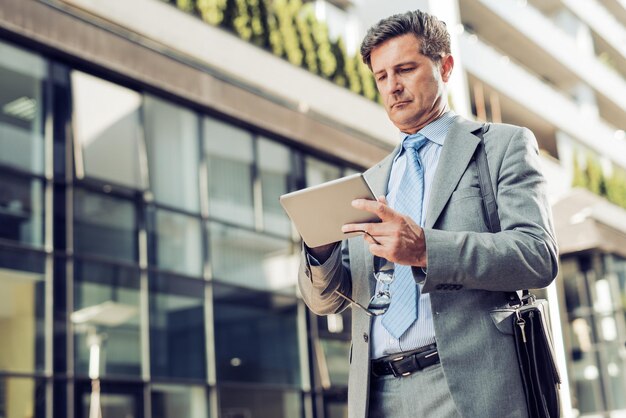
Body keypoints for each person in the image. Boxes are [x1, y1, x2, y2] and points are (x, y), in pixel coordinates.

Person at [298, 9, 559, 418]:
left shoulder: (501, 147)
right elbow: (327, 301)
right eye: (381, 77)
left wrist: (426, 250)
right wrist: (320, 253)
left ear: (446, 65)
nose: (393, 87)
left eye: (404, 69)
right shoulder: (371, 183)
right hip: (380, 394)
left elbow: (537, 256)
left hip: (471, 388)